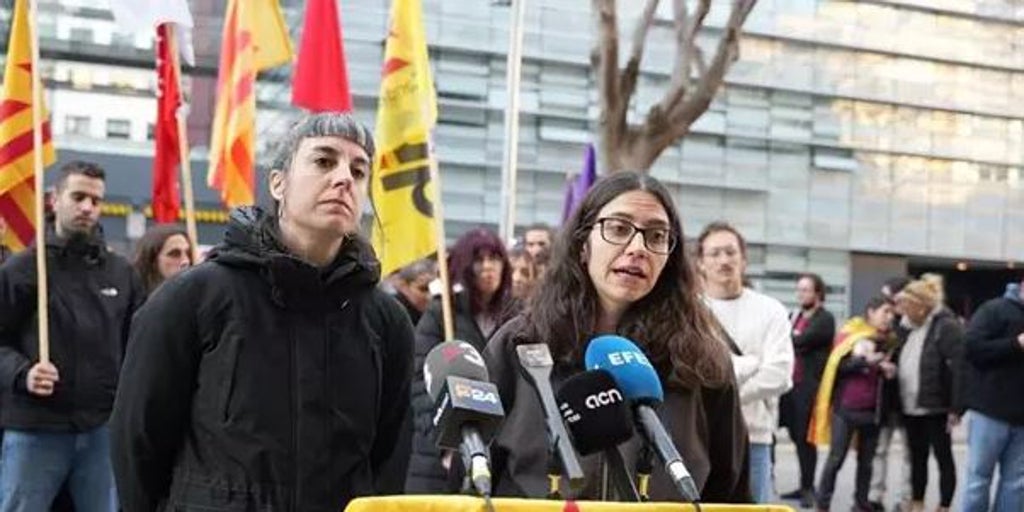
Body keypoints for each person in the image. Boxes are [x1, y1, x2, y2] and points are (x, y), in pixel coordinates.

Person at [109, 113, 415, 511]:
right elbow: (139, 438)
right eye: (324, 161)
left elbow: (389, 455)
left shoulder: (386, 321)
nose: (343, 179)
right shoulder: (195, 297)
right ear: (278, 183)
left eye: (358, 171)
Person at [483, 172, 750, 501]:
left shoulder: (703, 361)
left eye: (656, 236)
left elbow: (730, 488)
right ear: (583, 244)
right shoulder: (520, 344)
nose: (638, 248)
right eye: (619, 229)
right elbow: (475, 477)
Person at [0, 161, 145, 512]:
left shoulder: (122, 272)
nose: (87, 208)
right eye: (78, 197)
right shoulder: (22, 268)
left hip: (102, 429)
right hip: (36, 429)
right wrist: (23, 372)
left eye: (95, 201)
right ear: (54, 199)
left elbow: (138, 346)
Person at [406, 227, 517, 493]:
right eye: (478, 259)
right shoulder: (442, 313)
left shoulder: (516, 316)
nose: (488, 267)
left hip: (499, 450)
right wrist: (445, 442)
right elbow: (422, 381)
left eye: (495, 258)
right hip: (441, 455)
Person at [696, 221, 794, 504]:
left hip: (754, 438)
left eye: (730, 252)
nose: (724, 260)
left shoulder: (770, 310)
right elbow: (694, 373)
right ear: (701, 263)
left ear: (744, 259)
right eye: (714, 254)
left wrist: (723, 393)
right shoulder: (690, 311)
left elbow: (780, 374)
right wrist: (751, 364)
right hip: (699, 439)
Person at [810, 296, 898, 512]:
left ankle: (861, 503)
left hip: (873, 410)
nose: (889, 317)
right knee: (836, 459)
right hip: (846, 408)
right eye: (885, 312)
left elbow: (894, 373)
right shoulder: (851, 333)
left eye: (891, 314)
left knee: (866, 463)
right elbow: (836, 367)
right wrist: (863, 362)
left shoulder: (891, 340)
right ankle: (822, 504)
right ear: (871, 312)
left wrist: (890, 371)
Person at [893, 279, 964, 512]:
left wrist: (956, 408)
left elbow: (960, 369)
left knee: (943, 457)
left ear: (921, 307)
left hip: (937, 406)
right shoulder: (905, 326)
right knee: (917, 456)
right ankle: (917, 502)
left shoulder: (946, 326)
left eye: (907, 305)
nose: (902, 310)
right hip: (910, 403)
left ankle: (944, 505)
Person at [959, 278, 1024, 512]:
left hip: (1021, 418)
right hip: (990, 410)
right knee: (978, 479)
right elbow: (971, 348)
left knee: (1016, 484)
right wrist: (1015, 344)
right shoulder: (994, 309)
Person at [779, 273, 836, 508]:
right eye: (799, 290)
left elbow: (800, 342)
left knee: (806, 439)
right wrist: (792, 336)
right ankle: (802, 485)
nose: (801, 294)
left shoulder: (825, 318)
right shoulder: (796, 316)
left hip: (809, 388)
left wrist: (792, 337)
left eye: (806, 290)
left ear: (818, 293)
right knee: (793, 436)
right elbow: (785, 340)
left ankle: (808, 488)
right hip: (789, 386)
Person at [870, 275, 913, 511]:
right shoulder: (880, 325)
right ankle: (875, 497)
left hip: (909, 399)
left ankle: (905, 499)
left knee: (910, 453)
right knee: (879, 450)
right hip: (884, 399)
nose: (889, 305)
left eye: (892, 299)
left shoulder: (914, 323)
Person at [132, 224, 193, 296]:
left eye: (188, 254)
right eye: (174, 254)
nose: (186, 261)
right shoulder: (129, 301)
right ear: (152, 261)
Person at [388, 258, 437, 326]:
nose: (430, 296)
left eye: (436, 287)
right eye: (423, 289)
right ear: (404, 287)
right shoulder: (392, 315)